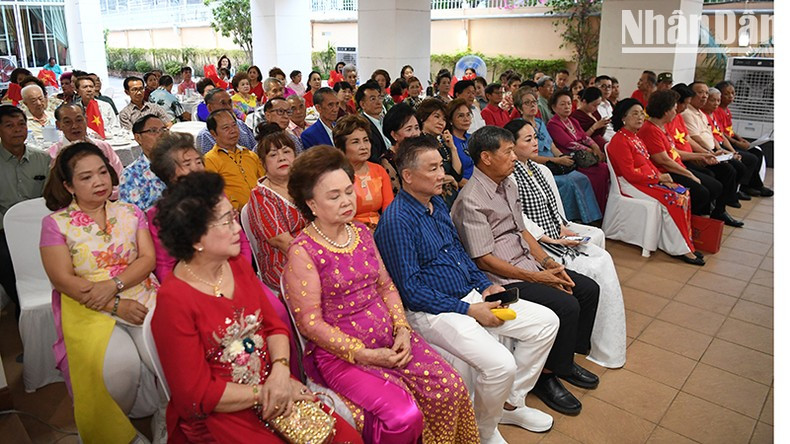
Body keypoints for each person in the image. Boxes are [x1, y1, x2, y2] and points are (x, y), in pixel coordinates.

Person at [284, 146, 479, 443]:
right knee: (404, 415)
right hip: (342, 355)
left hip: (390, 336)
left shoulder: (360, 232)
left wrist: (402, 328)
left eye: (349, 191)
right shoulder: (303, 251)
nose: (347, 201)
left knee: (450, 387)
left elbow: (386, 286)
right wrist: (364, 354)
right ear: (311, 204)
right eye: (334, 196)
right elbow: (310, 323)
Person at [374, 136, 560, 443]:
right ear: (407, 176)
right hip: (434, 311)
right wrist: (470, 310)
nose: (441, 174)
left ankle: (510, 402)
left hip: (469, 295)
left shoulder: (435, 205)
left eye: (440, 166)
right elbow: (410, 291)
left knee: (546, 323)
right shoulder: (397, 221)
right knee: (501, 364)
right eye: (432, 169)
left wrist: (485, 286)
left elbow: (460, 256)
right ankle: (483, 432)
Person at [152, 171, 361, 443]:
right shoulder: (173, 302)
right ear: (194, 238)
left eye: (234, 216)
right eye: (226, 221)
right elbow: (196, 394)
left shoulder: (236, 265)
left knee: (346, 438)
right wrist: (269, 391)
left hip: (272, 385)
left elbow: (274, 327)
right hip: (221, 413)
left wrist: (281, 371)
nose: (238, 228)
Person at [451, 126, 602, 413]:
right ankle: (546, 378)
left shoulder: (508, 182)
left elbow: (522, 230)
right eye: (507, 152)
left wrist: (547, 263)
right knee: (567, 304)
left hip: (527, 263)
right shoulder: (471, 199)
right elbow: (483, 260)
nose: (513, 157)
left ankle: (565, 361)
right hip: (501, 278)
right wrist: (537, 277)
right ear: (485, 157)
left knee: (587, 289)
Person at [40, 142, 161, 443]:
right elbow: (63, 279)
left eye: (102, 172)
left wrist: (114, 285)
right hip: (87, 304)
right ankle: (116, 432)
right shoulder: (55, 224)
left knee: (166, 355)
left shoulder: (130, 212)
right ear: (68, 185)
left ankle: (166, 414)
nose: (99, 181)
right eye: (86, 177)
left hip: (141, 291)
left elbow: (147, 260)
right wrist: (115, 303)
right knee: (120, 368)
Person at [506, 120, 626, 368]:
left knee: (601, 256)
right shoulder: (510, 176)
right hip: (540, 244)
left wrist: (565, 231)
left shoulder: (540, 170)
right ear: (511, 145)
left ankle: (594, 339)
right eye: (526, 140)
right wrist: (553, 239)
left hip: (554, 234)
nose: (534, 143)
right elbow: (522, 222)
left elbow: (554, 212)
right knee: (596, 268)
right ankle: (591, 341)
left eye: (534, 137)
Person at [608, 98, 703, 265]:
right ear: (623, 117)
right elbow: (629, 173)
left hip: (646, 180)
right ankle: (682, 249)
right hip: (630, 184)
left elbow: (648, 164)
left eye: (641, 114)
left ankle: (681, 244)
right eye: (634, 114)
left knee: (682, 191)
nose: (640, 118)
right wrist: (658, 178)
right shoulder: (620, 140)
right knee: (675, 199)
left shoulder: (635, 137)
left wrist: (663, 178)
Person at [639, 90, 743, 227]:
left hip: (677, 166)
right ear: (666, 111)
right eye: (674, 109)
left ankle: (697, 219)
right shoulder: (650, 130)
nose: (676, 112)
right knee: (703, 192)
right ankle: (685, 223)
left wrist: (704, 155)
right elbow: (664, 160)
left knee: (715, 186)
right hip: (666, 172)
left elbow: (674, 151)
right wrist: (690, 174)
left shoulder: (661, 127)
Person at [505, 96, 601, 224]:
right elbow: (530, 156)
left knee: (581, 177)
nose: (532, 105)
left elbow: (552, 146)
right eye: (527, 103)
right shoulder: (517, 127)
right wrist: (556, 161)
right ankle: (570, 218)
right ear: (519, 108)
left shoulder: (540, 123)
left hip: (552, 161)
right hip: (542, 162)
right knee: (567, 182)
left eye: (534, 102)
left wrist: (562, 157)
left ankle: (590, 218)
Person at [0, 105, 50, 319]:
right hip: (3, 230)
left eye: (21, 124)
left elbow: (51, 199)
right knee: (5, 260)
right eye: (9, 126)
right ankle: (23, 310)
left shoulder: (43, 159)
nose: (17, 130)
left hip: (41, 228)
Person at [245, 126, 307, 291]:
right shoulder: (261, 196)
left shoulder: (304, 184)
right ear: (263, 163)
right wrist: (322, 258)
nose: (281, 158)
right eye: (273, 155)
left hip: (316, 252)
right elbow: (283, 242)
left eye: (286, 152)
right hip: (283, 262)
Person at [667, 84, 742, 212]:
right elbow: (669, 155)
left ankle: (718, 210)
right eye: (684, 104)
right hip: (682, 160)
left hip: (691, 156)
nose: (685, 107)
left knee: (728, 170)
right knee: (714, 177)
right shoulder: (671, 119)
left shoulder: (679, 116)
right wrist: (702, 155)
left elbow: (688, 139)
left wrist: (708, 153)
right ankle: (705, 213)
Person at [681, 82, 753, 202]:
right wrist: (709, 153)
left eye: (706, 93)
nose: (704, 96)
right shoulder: (687, 113)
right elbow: (695, 138)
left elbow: (711, 135)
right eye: (700, 93)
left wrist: (722, 150)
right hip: (701, 151)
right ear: (691, 95)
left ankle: (729, 197)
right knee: (729, 170)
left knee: (738, 164)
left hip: (712, 150)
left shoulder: (701, 113)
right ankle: (722, 205)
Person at [546, 90, 610, 214]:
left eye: (569, 103)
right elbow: (569, 143)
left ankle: (602, 208)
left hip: (585, 156)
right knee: (599, 172)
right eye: (563, 104)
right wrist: (590, 150)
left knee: (604, 168)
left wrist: (596, 147)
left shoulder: (572, 121)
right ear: (554, 107)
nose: (567, 107)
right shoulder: (553, 124)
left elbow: (584, 137)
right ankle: (593, 211)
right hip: (572, 159)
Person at [703, 86, 770, 198]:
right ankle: (741, 188)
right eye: (713, 100)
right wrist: (733, 146)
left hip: (723, 144)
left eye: (717, 100)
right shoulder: (708, 114)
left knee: (756, 153)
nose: (716, 103)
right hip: (716, 146)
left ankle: (751, 185)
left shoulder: (717, 112)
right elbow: (719, 135)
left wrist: (738, 141)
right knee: (749, 158)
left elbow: (724, 131)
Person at [333, 114, 394, 230]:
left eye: (366, 140)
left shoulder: (379, 170)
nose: (363, 146)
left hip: (382, 229)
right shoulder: (337, 176)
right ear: (341, 148)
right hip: (349, 231)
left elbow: (389, 208)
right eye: (355, 142)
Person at [204, 109, 265, 211]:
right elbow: (214, 195)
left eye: (234, 125)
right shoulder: (210, 160)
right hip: (235, 216)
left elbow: (264, 183)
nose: (233, 130)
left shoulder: (250, 155)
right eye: (226, 128)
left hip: (263, 210)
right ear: (213, 133)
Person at [416, 98, 463, 207]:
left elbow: (458, 175)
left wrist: (452, 147)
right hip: (432, 200)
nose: (441, 122)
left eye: (444, 119)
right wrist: (448, 178)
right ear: (423, 117)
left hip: (451, 198)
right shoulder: (419, 142)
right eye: (436, 116)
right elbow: (423, 175)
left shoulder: (441, 143)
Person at [118, 115, 169, 211]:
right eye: (153, 131)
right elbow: (131, 215)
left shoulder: (177, 163)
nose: (161, 135)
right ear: (138, 138)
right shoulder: (130, 174)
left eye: (163, 130)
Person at [197, 88, 257, 154]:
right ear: (210, 108)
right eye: (223, 103)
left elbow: (254, 148)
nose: (228, 107)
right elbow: (207, 162)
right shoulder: (205, 135)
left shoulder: (240, 124)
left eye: (229, 103)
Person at [381, 103, 421, 195]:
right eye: (409, 129)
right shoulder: (387, 161)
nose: (415, 133)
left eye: (416, 128)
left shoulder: (421, 151)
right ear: (394, 135)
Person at [356, 80, 391, 163]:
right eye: (372, 99)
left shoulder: (385, 120)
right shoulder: (361, 126)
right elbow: (372, 157)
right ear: (362, 104)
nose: (378, 102)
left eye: (379, 97)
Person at [446, 98, 475, 182]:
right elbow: (457, 179)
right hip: (464, 188)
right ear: (451, 120)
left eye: (468, 114)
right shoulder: (448, 142)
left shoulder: (472, 138)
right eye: (461, 116)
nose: (466, 119)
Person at [594, 75, 617, 141]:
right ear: (596, 87)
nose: (607, 89)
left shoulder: (610, 104)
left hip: (615, 135)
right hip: (603, 139)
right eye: (603, 86)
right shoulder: (594, 106)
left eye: (609, 87)